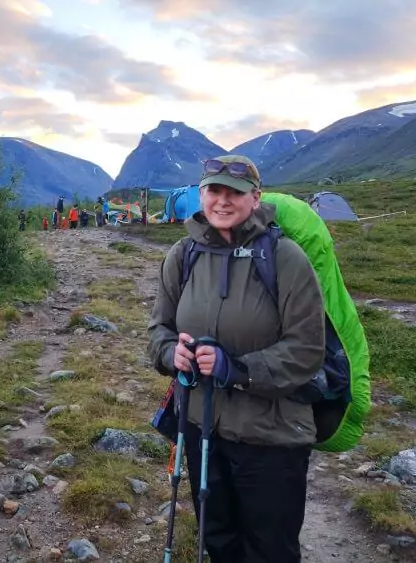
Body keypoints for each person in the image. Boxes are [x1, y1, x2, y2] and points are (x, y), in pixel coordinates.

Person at [147, 154, 326, 563]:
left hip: (272, 435)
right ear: (201, 193)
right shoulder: (183, 254)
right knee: (218, 537)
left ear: (255, 197)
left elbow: (307, 348)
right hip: (200, 425)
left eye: (235, 192)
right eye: (214, 190)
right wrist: (170, 352)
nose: (222, 201)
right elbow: (159, 328)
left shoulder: (286, 259)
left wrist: (237, 369)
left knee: (270, 547)